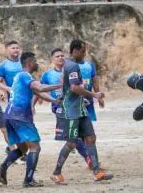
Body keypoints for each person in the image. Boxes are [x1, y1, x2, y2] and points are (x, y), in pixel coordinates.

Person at [50, 40, 113, 184]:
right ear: (75, 50)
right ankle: (56, 173)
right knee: (71, 143)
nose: (84, 54)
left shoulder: (71, 65)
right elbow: (74, 88)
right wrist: (94, 95)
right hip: (71, 111)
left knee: (90, 138)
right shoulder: (72, 66)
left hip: (80, 109)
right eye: (83, 51)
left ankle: (97, 172)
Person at [0, 52, 62, 188]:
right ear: (29, 62)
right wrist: (59, 85)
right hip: (19, 116)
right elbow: (40, 87)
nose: (37, 63)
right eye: (35, 61)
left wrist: (54, 100)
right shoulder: (24, 75)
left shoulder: (21, 76)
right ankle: (28, 180)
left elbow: (39, 92)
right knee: (35, 147)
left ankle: (2, 167)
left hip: (10, 115)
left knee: (23, 148)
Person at [0, 40, 25, 163]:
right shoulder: (3, 65)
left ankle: (14, 149)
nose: (16, 50)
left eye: (17, 48)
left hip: (25, 100)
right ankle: (17, 151)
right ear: (7, 50)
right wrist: (5, 89)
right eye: (13, 48)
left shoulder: (23, 63)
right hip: (13, 101)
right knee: (16, 126)